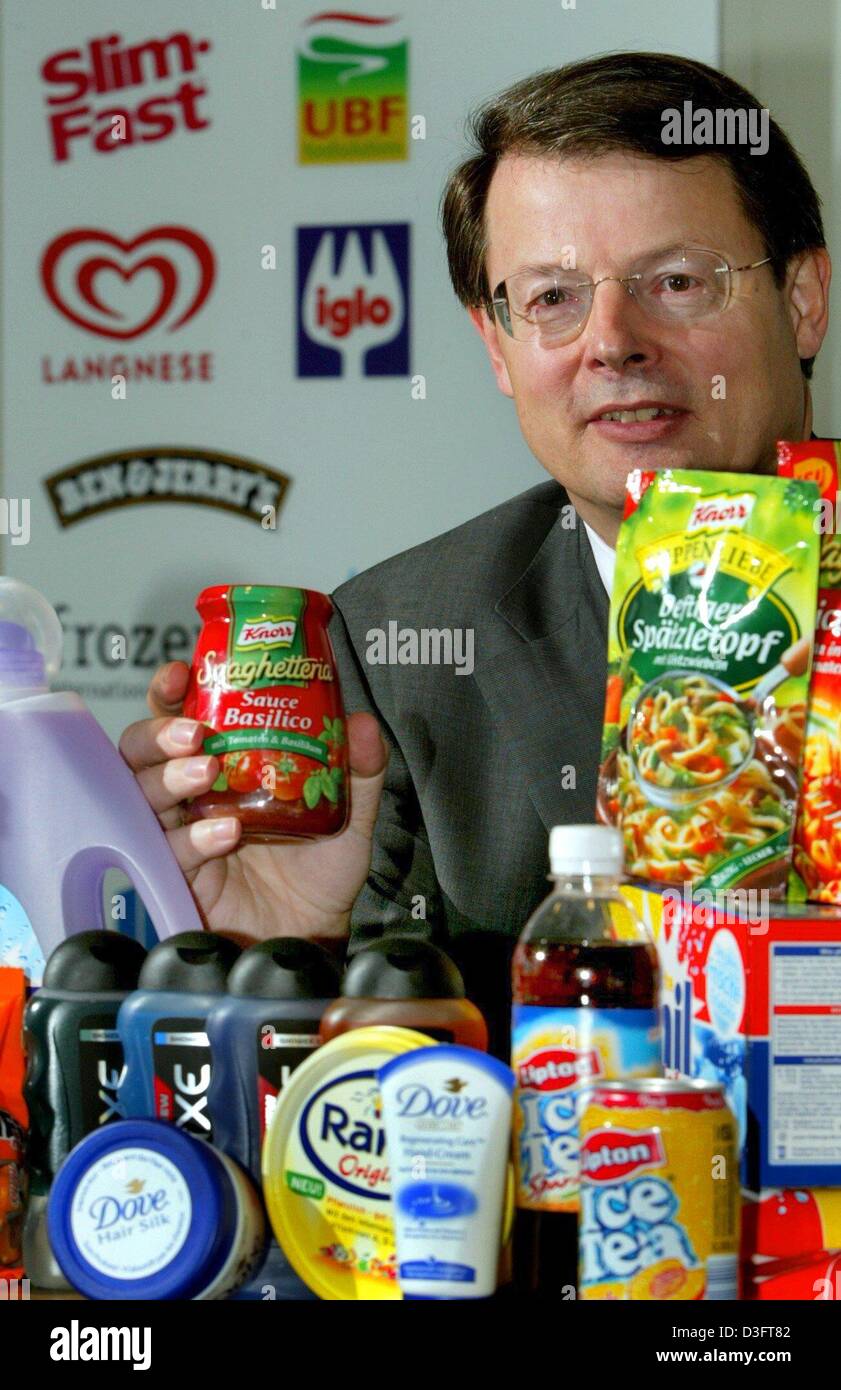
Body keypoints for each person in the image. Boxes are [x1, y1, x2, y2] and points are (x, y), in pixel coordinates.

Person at [119, 52, 830, 1050]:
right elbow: (382, 1097)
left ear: (801, 299)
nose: (612, 341)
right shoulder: (396, 643)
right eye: (551, 298)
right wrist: (281, 945)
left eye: (676, 281)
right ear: (496, 345)